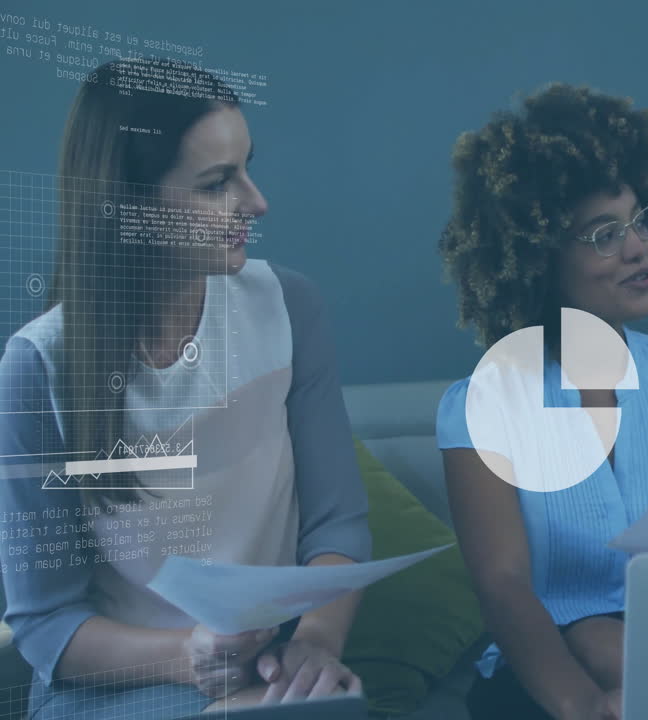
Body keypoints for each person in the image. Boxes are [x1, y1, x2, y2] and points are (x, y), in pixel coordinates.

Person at [0, 58, 371, 718]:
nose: (256, 203)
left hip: (268, 669)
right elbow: (46, 624)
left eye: (246, 168)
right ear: (131, 208)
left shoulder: (289, 307)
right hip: (118, 685)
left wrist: (314, 643)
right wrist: (189, 656)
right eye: (215, 184)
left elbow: (335, 523)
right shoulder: (38, 365)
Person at [436, 84, 648, 720]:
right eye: (604, 233)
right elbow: (503, 586)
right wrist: (585, 701)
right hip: (542, 681)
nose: (639, 248)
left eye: (641, 220)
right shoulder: (484, 404)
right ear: (539, 259)